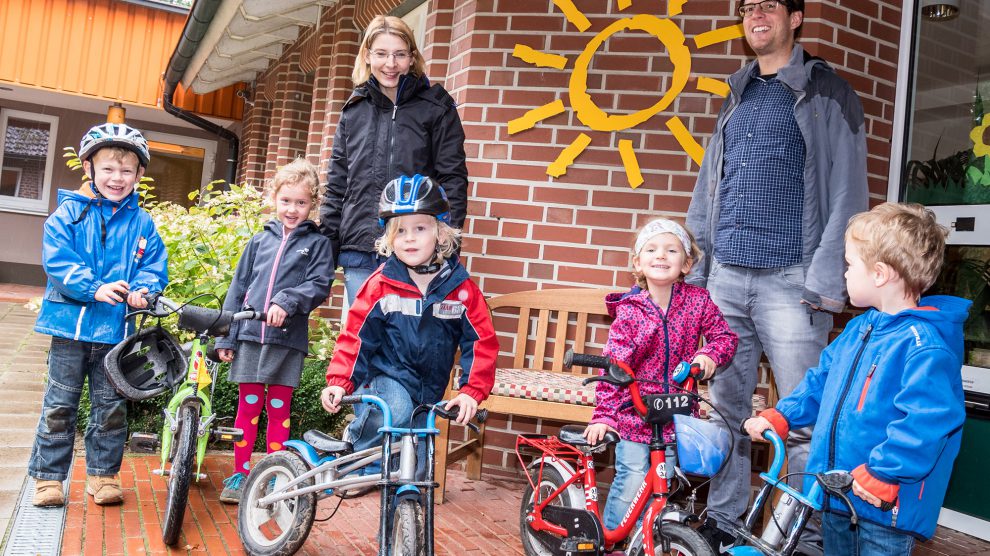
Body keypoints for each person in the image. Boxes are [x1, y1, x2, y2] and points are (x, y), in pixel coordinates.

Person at [684, 0, 869, 549]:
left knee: (803, 420)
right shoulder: (737, 94)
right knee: (723, 412)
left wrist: (824, 280)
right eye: (747, 6)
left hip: (793, 281)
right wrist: (699, 274)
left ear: (796, 18)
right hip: (726, 281)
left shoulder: (827, 93)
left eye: (769, 4)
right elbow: (708, 189)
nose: (756, 14)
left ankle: (798, 536)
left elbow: (848, 194)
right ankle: (722, 521)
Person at [743, 202, 968, 554]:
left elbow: (928, 422)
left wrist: (884, 472)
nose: (845, 274)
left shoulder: (924, 347)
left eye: (850, 265)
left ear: (879, 274)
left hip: (883, 505)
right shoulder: (859, 329)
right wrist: (784, 414)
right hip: (836, 493)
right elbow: (821, 381)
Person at [320, 174, 496, 480]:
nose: (410, 238)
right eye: (400, 231)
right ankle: (355, 456)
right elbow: (355, 337)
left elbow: (481, 342)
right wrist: (339, 381)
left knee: (418, 462)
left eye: (420, 228)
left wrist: (471, 391)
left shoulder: (462, 290)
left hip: (430, 385)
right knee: (398, 410)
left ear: (441, 234)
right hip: (386, 376)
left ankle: (405, 514)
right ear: (389, 239)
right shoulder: (381, 285)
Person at [30, 122, 168, 507]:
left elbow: (153, 264)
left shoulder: (142, 223)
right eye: (108, 168)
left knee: (110, 408)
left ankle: (102, 476)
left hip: (115, 333)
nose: (117, 177)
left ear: (140, 175)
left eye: (127, 170)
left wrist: (144, 289)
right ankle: (47, 479)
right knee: (60, 406)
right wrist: (94, 288)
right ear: (89, 168)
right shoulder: (68, 214)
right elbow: (57, 261)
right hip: (70, 329)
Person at [584, 218, 738, 533]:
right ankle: (613, 541)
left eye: (671, 250)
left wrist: (707, 354)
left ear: (687, 263)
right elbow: (614, 367)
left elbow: (726, 338)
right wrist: (604, 415)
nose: (661, 256)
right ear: (638, 263)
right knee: (632, 479)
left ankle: (649, 541)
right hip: (635, 413)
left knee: (662, 485)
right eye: (651, 249)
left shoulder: (698, 302)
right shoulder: (630, 311)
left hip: (676, 413)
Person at [319, 15, 468, 308]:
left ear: (412, 58)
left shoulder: (436, 108)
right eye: (382, 54)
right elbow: (337, 185)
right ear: (367, 56)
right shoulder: (353, 111)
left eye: (400, 54)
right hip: (361, 249)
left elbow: (453, 179)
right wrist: (327, 249)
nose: (391, 63)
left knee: (411, 343)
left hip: (417, 250)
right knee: (365, 340)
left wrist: (445, 242)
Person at [213, 158, 333, 503]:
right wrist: (226, 335)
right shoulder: (258, 241)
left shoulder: (319, 244)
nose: (292, 209)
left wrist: (287, 300)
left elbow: (319, 284)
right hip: (250, 336)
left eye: (301, 202)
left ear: (313, 204)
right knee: (248, 406)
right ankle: (239, 474)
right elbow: (238, 289)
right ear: (274, 198)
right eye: (286, 201)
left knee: (279, 409)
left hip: (286, 340)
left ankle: (275, 474)